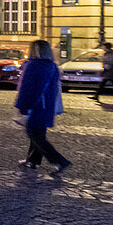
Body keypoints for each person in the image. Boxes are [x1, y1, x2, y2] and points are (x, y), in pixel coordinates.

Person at [14, 39, 71, 174]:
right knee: (38, 134)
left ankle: (59, 161)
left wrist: (22, 106)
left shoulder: (33, 66)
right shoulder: (52, 66)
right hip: (47, 106)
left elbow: (27, 89)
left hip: (35, 106)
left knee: (35, 135)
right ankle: (32, 161)